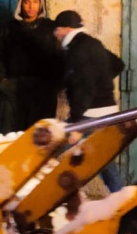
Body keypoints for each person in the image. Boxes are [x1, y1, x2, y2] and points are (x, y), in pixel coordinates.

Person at [52, 10, 125, 192]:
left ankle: (31, 193)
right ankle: (123, 198)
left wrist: (77, 123)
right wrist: (102, 81)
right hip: (107, 112)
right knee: (105, 162)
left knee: (50, 149)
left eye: (57, 29)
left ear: (67, 29)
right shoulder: (92, 43)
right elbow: (117, 64)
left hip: (90, 115)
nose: (55, 34)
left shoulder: (78, 50)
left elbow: (83, 87)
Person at [0, 0, 62, 133]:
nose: (31, 6)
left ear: (41, 4)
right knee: (12, 133)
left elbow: (59, 56)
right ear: (20, 4)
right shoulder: (8, 29)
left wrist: (55, 85)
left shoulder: (50, 28)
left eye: (35, 2)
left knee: (41, 135)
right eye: (27, 2)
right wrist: (2, 80)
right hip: (14, 88)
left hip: (43, 90)